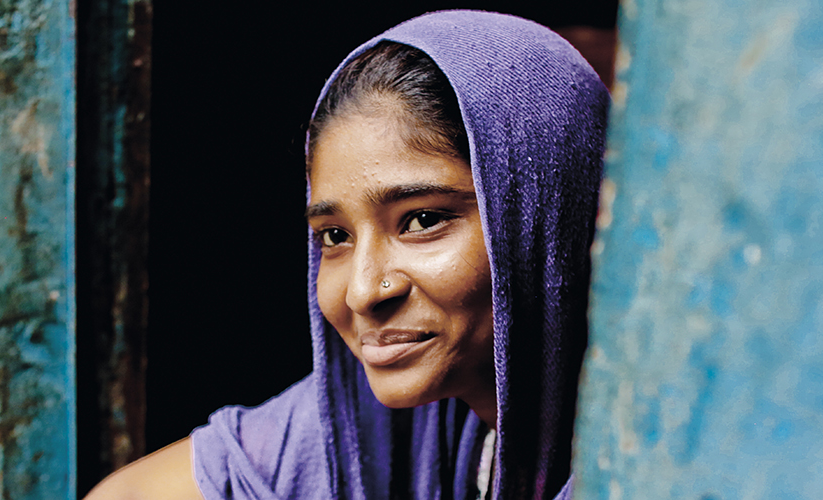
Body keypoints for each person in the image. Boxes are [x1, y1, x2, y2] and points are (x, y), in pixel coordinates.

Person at [87, 10, 607, 500]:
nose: (362, 292)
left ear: (551, 215)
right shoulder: (385, 425)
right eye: (334, 236)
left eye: (423, 220)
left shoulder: (660, 451)